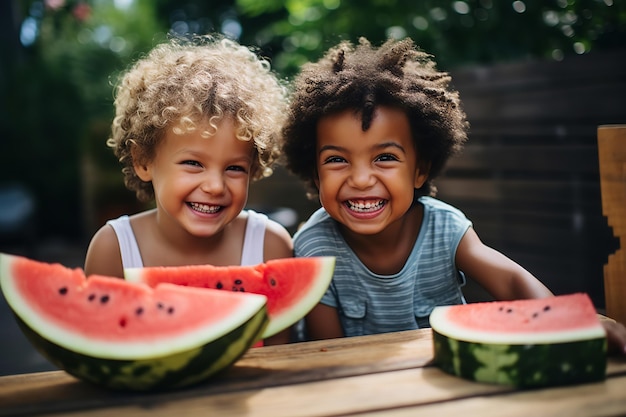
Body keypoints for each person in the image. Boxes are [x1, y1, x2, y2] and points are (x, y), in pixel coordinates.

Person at [282, 37, 626, 353]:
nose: (359, 179)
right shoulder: (314, 246)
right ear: (315, 173)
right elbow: (329, 353)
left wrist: (571, 321)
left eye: (385, 157)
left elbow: (510, 279)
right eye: (337, 160)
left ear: (420, 170)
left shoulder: (445, 228)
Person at [84, 34, 293, 345]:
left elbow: (282, 358)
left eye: (235, 168)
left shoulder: (270, 246)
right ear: (144, 162)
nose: (214, 186)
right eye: (193, 163)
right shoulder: (113, 249)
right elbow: (99, 351)